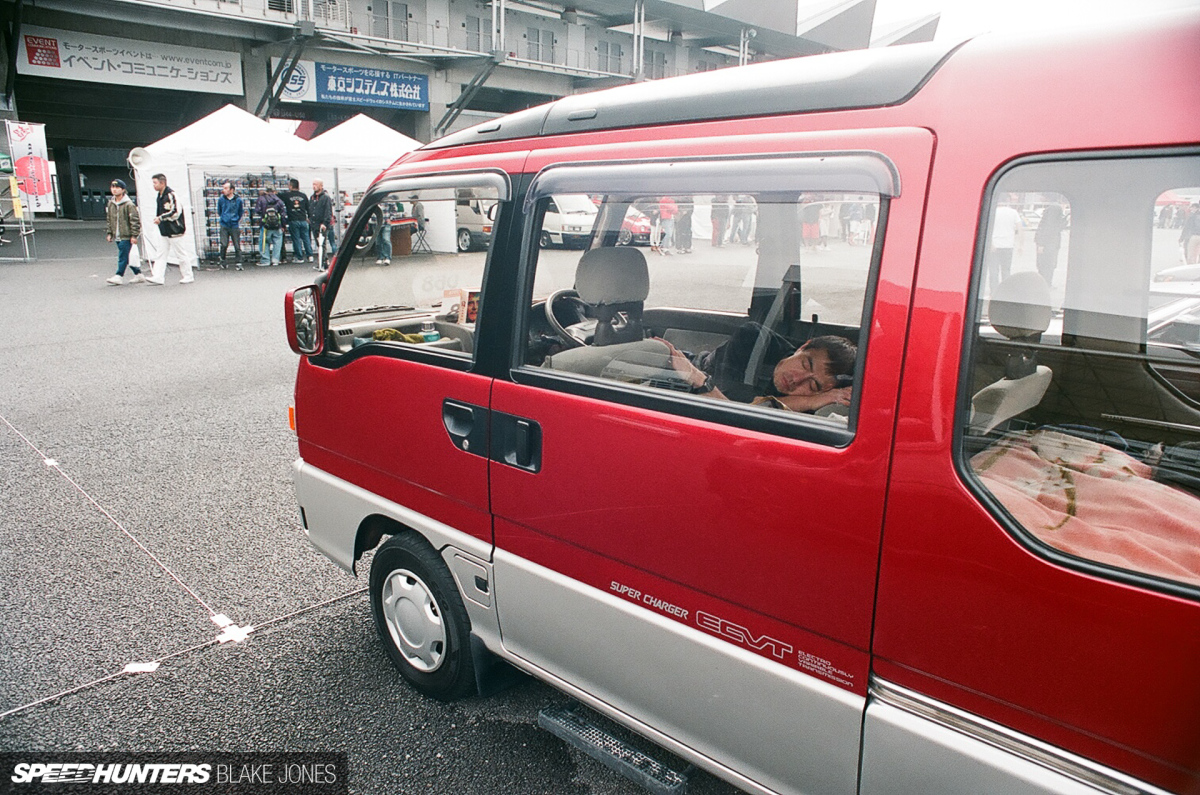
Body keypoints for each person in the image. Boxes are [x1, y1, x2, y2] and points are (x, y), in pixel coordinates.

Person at [665, 323, 856, 413]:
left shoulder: (832, 385)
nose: (797, 379)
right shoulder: (752, 339)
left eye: (812, 386)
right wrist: (813, 400)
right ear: (803, 347)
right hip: (679, 372)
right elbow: (736, 411)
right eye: (805, 364)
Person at [147, 173, 195, 285]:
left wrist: (161, 218)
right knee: (160, 253)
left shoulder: (171, 195)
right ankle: (158, 276)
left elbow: (176, 212)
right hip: (164, 230)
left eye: (155, 183)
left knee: (181, 253)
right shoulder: (159, 196)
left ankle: (188, 275)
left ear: (162, 183)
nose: (153, 185)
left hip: (175, 230)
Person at [104, 179, 145, 285]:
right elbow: (109, 219)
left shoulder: (128, 204)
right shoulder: (111, 203)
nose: (114, 189)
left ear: (123, 190)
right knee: (128, 256)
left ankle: (119, 275)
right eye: (113, 187)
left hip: (126, 235)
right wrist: (110, 233)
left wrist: (134, 235)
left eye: (117, 188)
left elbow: (135, 221)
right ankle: (138, 274)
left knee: (123, 256)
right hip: (117, 235)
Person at [988, 197, 1023, 293]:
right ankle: (1005, 292)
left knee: (993, 271)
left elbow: (988, 229)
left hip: (994, 246)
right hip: (1008, 246)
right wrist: (1020, 245)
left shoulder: (993, 212)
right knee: (1006, 270)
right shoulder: (1013, 212)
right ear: (1008, 201)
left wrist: (990, 244)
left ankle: (994, 292)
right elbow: (1020, 229)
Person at [282, 178, 313, 264]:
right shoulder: (303, 195)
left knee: (296, 239)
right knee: (306, 238)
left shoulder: (287, 195)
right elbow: (308, 208)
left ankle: (299, 257)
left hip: (293, 220)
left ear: (291, 186)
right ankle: (310, 256)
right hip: (303, 220)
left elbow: (276, 196)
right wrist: (309, 218)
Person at [1035, 203, 1067, 283]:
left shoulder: (1047, 221)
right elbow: (1043, 232)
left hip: (1051, 246)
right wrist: (1041, 244)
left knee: (1047, 265)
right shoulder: (1049, 223)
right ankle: (1045, 282)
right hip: (1048, 246)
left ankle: (1046, 282)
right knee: (1046, 265)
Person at [255, 185, 287, 267]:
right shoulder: (279, 200)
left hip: (265, 225)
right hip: (277, 225)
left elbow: (257, 210)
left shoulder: (261, 199)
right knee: (277, 242)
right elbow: (283, 214)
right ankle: (275, 260)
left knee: (264, 242)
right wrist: (283, 225)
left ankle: (265, 260)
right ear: (274, 191)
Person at [216, 181, 244, 270]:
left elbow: (240, 211)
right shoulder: (221, 199)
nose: (223, 190)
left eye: (226, 188)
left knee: (237, 245)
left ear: (231, 190)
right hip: (224, 224)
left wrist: (236, 219)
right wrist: (224, 218)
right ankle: (223, 260)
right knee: (224, 244)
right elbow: (219, 211)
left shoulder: (238, 200)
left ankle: (239, 262)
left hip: (234, 225)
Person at [310, 178, 335, 269]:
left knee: (322, 243)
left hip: (322, 225)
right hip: (314, 224)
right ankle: (323, 261)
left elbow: (328, 211)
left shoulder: (325, 197)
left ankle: (323, 263)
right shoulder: (312, 197)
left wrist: (325, 223)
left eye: (316, 184)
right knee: (318, 243)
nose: (314, 186)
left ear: (321, 186)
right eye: (313, 184)